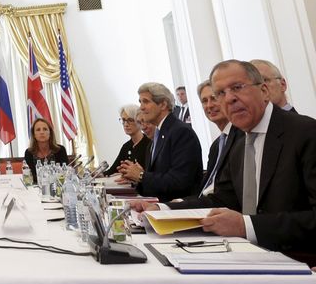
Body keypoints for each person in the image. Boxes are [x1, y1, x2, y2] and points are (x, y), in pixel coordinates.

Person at [133, 60, 316, 259]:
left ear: (264, 91)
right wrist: (162, 209)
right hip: (244, 255)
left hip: (298, 261)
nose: (229, 99)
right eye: (220, 93)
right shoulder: (238, 142)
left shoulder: (305, 133)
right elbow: (222, 199)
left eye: (237, 88)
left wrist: (246, 225)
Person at [117, 82, 202, 202]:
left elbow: (180, 181)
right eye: (140, 102)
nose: (141, 107)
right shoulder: (156, 137)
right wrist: (136, 178)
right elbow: (155, 182)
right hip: (159, 208)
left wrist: (142, 175)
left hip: (178, 211)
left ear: (163, 104)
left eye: (146, 101)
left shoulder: (180, 132)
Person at [195, 79, 244, 197]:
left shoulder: (242, 137)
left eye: (214, 98)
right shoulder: (216, 146)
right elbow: (206, 188)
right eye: (204, 101)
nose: (209, 105)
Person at [104, 105, 151, 176]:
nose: (126, 124)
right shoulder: (126, 146)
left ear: (139, 121)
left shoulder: (149, 144)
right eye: (123, 120)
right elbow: (113, 170)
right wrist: (99, 174)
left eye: (130, 120)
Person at [23, 118, 69, 182]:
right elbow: (30, 176)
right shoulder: (29, 153)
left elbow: (65, 173)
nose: (42, 132)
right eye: (38, 130)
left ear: (50, 133)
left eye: (45, 129)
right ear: (34, 135)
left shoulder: (60, 150)